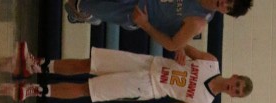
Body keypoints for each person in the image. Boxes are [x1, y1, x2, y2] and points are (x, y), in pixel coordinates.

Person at [0, 43, 252, 103]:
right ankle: (38, 66)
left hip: (147, 86)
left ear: (233, 97)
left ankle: (35, 91)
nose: (234, 88)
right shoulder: (211, 62)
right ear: (235, 75)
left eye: (237, 92)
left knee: (89, 89)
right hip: (148, 63)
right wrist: (179, 50)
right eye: (237, 84)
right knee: (91, 63)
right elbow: (183, 44)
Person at [63, 0, 253, 54]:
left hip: (135, 12)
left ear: (225, 12)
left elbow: (172, 45)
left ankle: (85, 14)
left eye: (228, 8)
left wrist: (145, 24)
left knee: (76, 4)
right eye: (228, 0)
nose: (224, 3)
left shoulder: (198, 21)